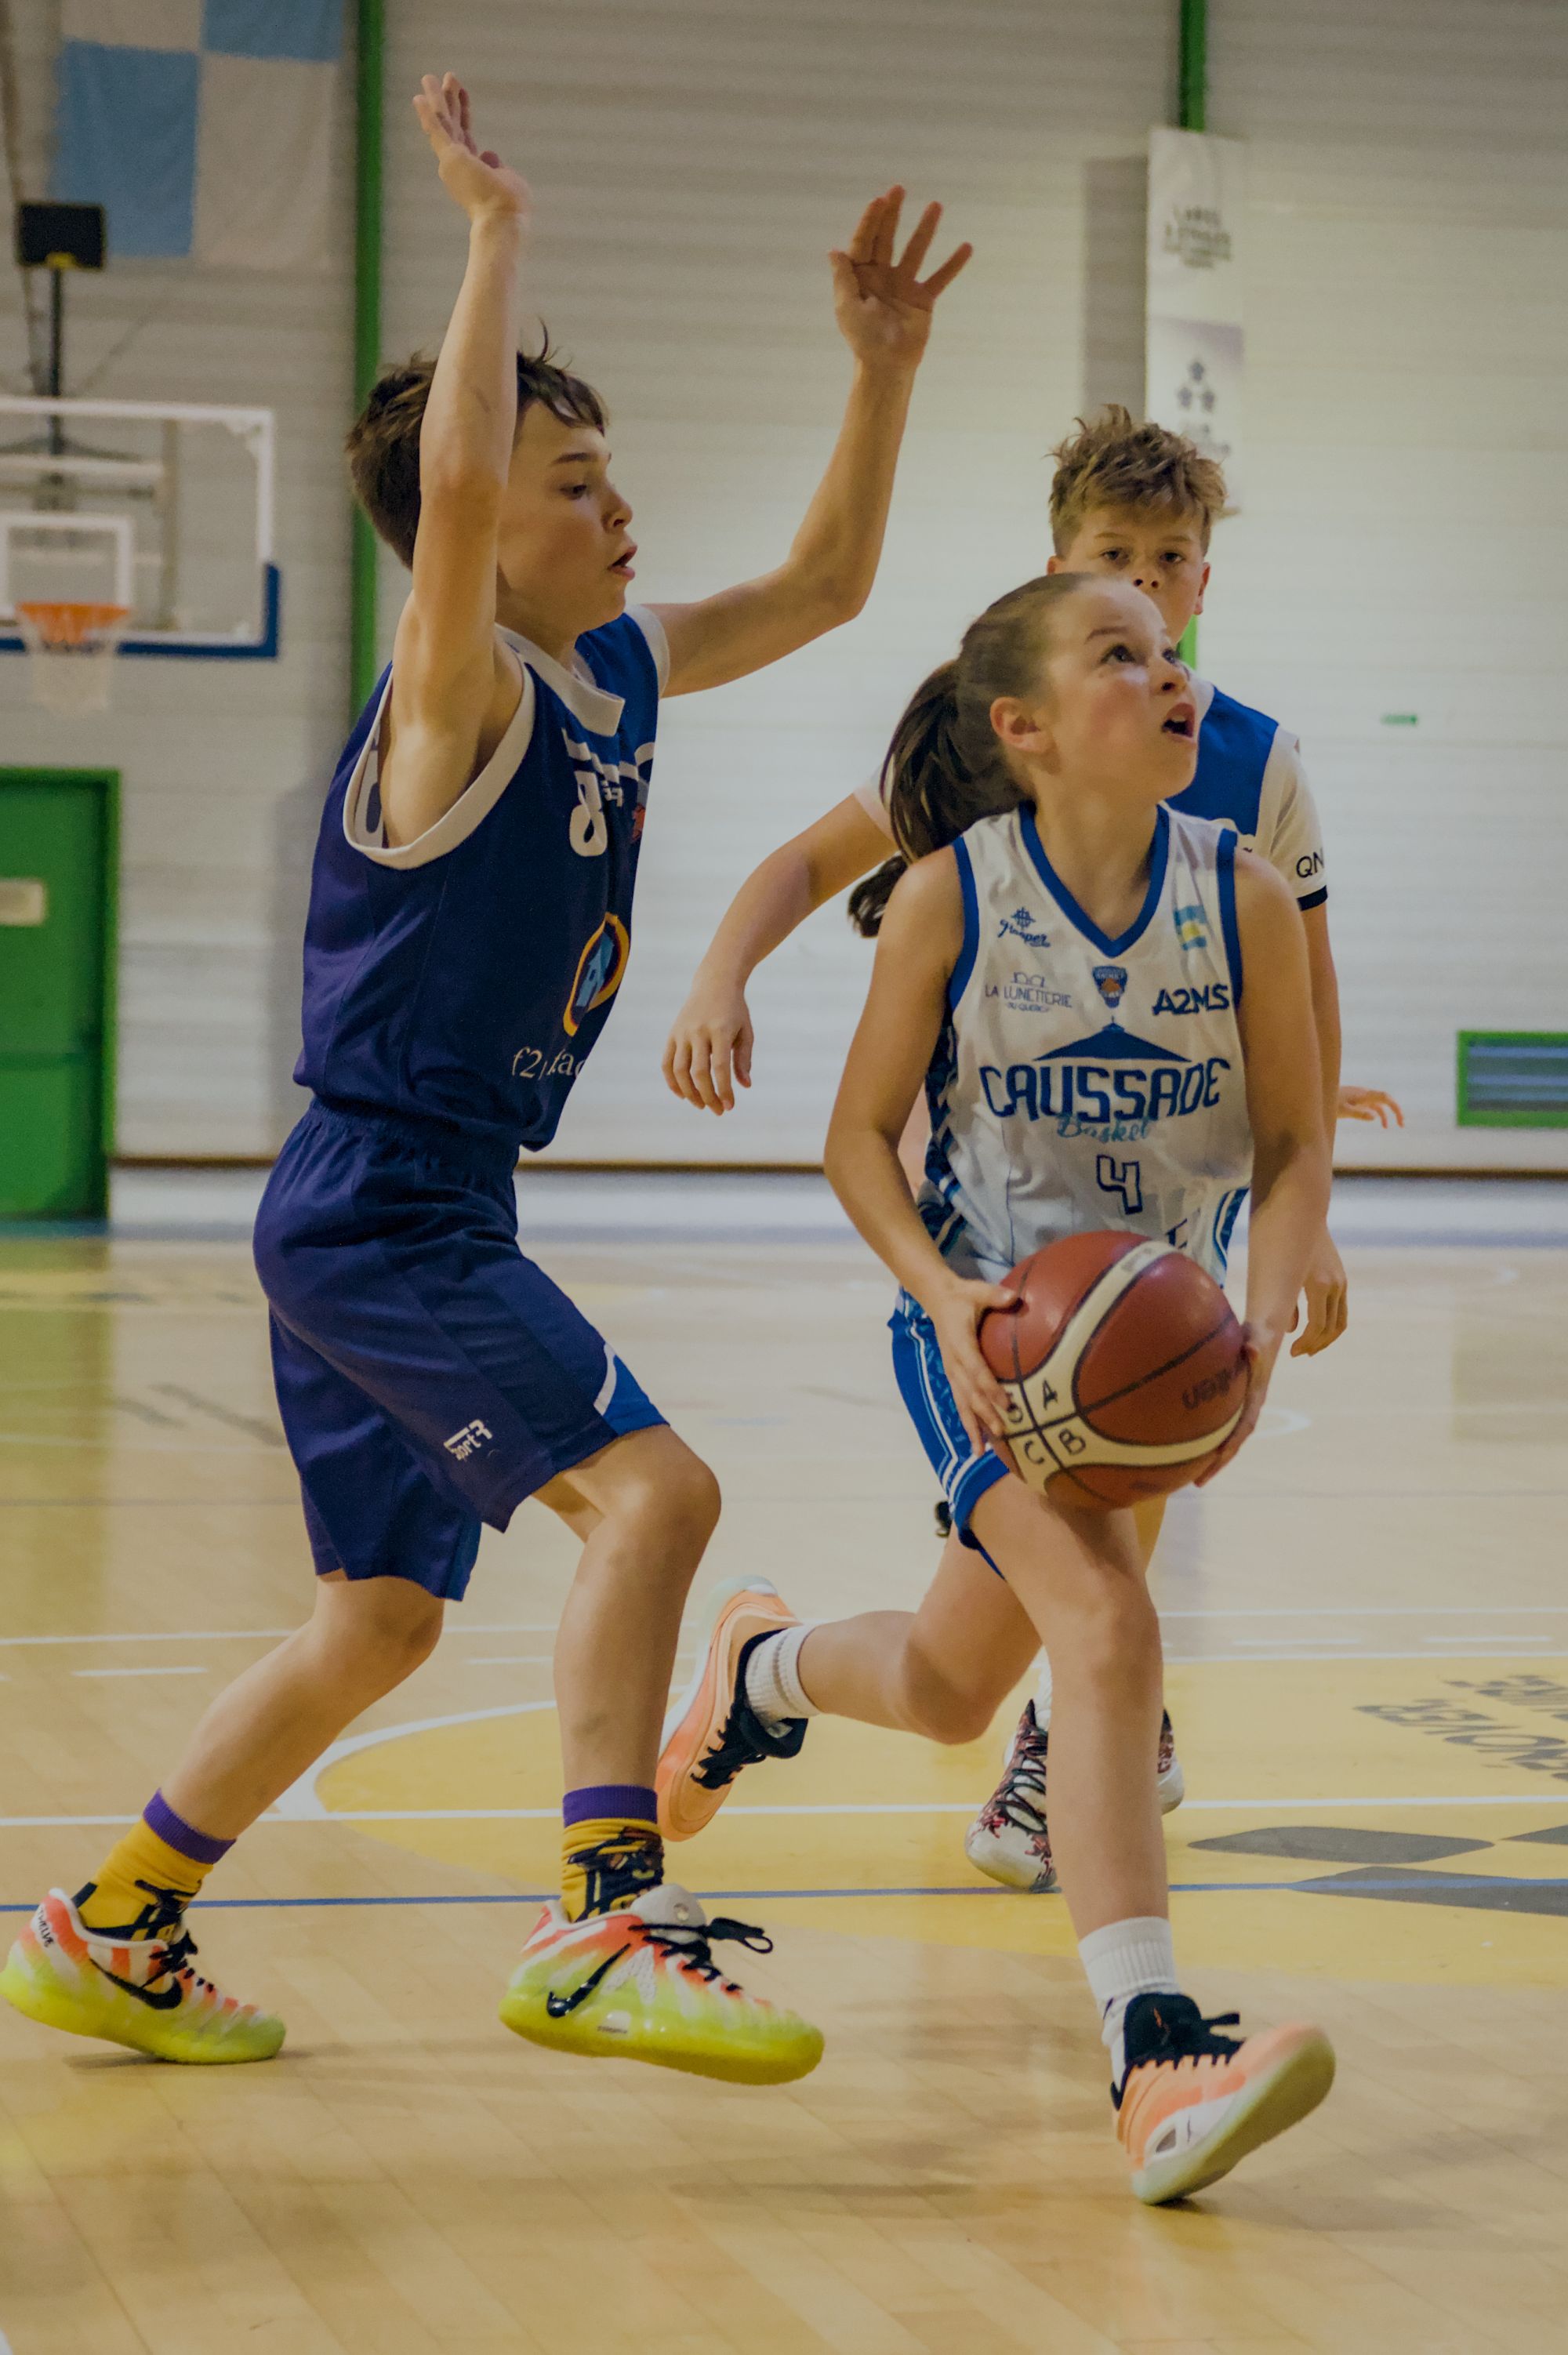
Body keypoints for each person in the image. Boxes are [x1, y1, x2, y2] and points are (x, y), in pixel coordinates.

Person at [0, 74, 971, 2081]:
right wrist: (491, 232)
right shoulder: (457, 689)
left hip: (416, 1197)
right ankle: (607, 1912)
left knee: (378, 1619)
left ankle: (115, 1917)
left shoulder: (619, 663)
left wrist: (880, 374)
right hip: (385, 1196)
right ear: (478, 524)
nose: (614, 506)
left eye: (613, 475)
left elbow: (823, 589)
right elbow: (446, 495)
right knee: (661, 1493)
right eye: (573, 478)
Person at [659, 569, 1336, 2201]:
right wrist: (941, 1295)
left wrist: (1253, 1325)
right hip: (988, 1326)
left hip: (1148, 1334)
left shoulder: (1240, 894)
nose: (1169, 676)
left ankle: (763, 1672)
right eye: (1121, 656)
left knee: (957, 1686)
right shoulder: (953, 894)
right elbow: (853, 1136)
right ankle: (1152, 2054)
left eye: (1169, 653)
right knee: (1107, 1624)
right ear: (1024, 729)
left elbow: (1294, 1137)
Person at [659, 405, 1403, 1889]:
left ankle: (779, 1673)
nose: (1148, 580)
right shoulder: (1005, 731)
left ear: (1204, 582)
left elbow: (1306, 1003)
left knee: (953, 1676)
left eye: (1171, 561)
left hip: (1166, 1228)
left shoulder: (1252, 763)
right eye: (1114, 558)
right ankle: (1099, 1791)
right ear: (1058, 570)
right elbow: (807, 864)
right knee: (1102, 1586)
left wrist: (1305, 1210)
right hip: (995, 1254)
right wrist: (717, 977)